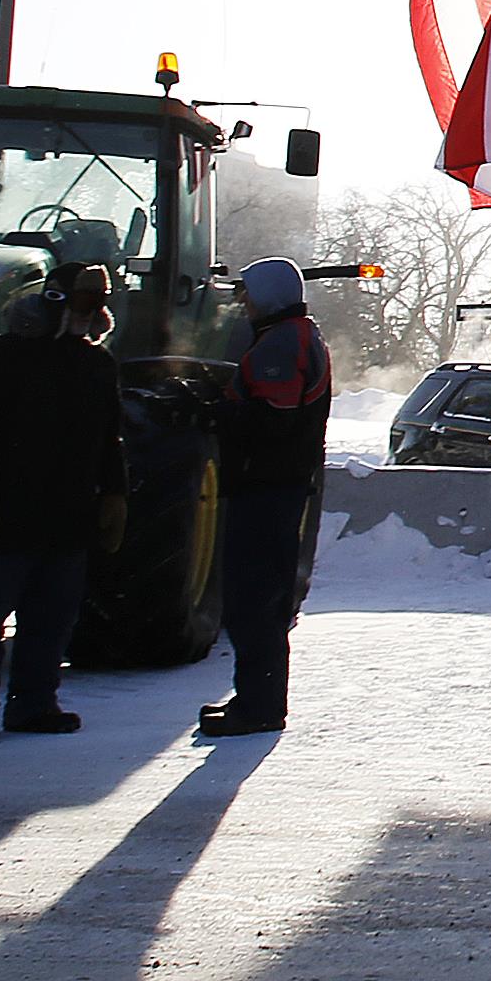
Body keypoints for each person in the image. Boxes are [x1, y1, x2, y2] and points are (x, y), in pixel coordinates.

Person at [0, 264, 126, 745]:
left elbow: (110, 438)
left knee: (50, 621)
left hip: (67, 518)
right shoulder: (1, 359)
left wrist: (114, 493)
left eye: (97, 304)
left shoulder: (95, 364)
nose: (93, 314)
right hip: (6, 516)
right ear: (52, 302)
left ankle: (34, 705)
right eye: (84, 303)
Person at [202, 257, 328, 738]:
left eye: (249, 293)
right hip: (276, 485)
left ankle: (258, 707)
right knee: (260, 601)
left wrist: (218, 412)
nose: (244, 302)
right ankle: (256, 698)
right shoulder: (293, 335)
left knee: (252, 601)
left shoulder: (281, 342)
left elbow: (275, 418)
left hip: (268, 487)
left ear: (269, 295)